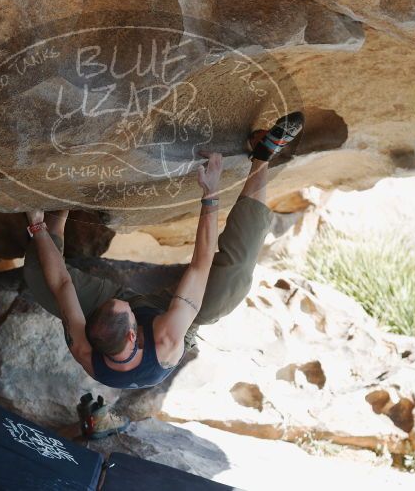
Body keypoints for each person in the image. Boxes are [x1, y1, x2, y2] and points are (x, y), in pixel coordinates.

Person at [23, 112, 305, 390]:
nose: (127, 300)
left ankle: (60, 207)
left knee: (40, 278)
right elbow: (201, 263)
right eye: (126, 307)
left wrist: (37, 226)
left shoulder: (83, 349)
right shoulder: (166, 340)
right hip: (175, 322)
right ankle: (262, 156)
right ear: (133, 335)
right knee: (231, 285)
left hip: (119, 325)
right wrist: (210, 193)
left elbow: (62, 284)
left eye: (119, 303)